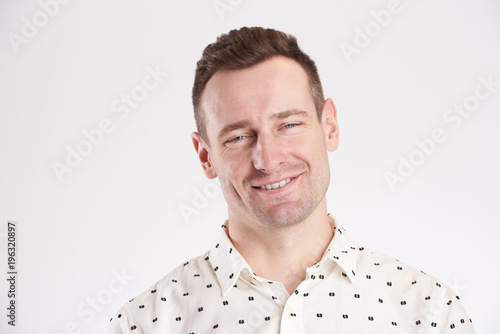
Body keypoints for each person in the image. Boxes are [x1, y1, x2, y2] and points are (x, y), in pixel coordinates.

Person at [106, 27, 476, 333]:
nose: (268, 159)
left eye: (288, 124)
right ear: (205, 156)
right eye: (237, 137)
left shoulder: (429, 312)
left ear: (328, 126)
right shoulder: (141, 325)